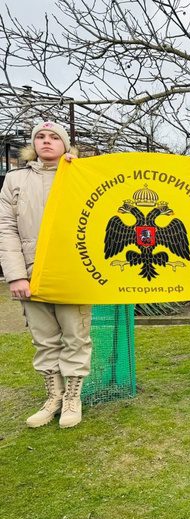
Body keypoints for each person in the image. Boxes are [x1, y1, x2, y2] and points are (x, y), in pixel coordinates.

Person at [0, 120, 90, 429]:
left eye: (54, 137)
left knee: (76, 337)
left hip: (72, 273)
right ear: (33, 144)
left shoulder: (80, 176)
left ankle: (72, 399)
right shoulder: (15, 180)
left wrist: (80, 172)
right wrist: (15, 275)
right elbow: (6, 228)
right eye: (41, 136)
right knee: (44, 340)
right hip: (30, 272)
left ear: (66, 145)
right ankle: (53, 397)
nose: (47, 141)